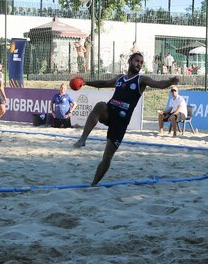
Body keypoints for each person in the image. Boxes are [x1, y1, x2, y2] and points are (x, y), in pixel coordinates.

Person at [72, 52, 178, 186]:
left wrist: (170, 82)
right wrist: (86, 82)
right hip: (110, 112)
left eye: (141, 62)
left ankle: (93, 184)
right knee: (100, 105)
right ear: (129, 61)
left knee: (107, 157)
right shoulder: (120, 78)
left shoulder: (141, 80)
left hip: (121, 121)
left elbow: (158, 84)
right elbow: (104, 83)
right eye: (137, 61)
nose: (139, 64)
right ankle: (83, 139)